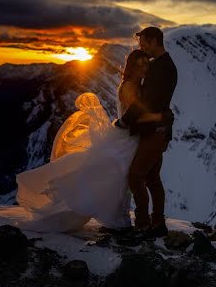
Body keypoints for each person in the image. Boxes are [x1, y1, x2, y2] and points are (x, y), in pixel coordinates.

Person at [14, 49, 161, 232]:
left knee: (121, 179)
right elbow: (133, 116)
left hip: (128, 137)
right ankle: (119, 221)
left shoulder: (133, 84)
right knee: (120, 178)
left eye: (147, 63)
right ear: (133, 66)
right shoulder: (130, 86)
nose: (145, 67)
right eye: (141, 64)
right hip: (126, 138)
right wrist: (157, 117)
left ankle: (120, 220)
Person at [119, 26, 178, 237]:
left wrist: (124, 121)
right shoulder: (159, 65)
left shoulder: (162, 67)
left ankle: (143, 224)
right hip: (155, 129)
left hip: (155, 131)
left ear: (154, 41)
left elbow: (147, 101)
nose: (143, 49)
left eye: (144, 44)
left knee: (136, 177)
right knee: (152, 178)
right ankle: (158, 224)